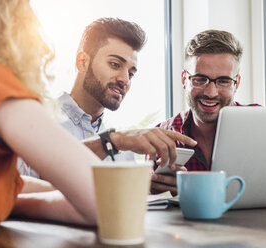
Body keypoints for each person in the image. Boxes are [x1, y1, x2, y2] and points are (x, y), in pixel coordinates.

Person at [0, 0, 194, 246]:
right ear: (6, 31)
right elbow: (112, 205)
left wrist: (11, 200)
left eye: (131, 72)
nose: (41, 46)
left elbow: (16, 186)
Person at [19, 18, 196, 178]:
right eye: (115, 65)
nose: (125, 79)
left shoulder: (124, 152)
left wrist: (145, 187)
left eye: (131, 73)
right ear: (82, 62)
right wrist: (111, 142)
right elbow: (19, 192)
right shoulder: (34, 121)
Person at [150, 30, 259, 195]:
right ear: (184, 80)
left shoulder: (260, 124)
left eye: (223, 81)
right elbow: (149, 205)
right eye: (200, 79)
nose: (211, 93)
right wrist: (153, 188)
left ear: (236, 84)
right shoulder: (163, 137)